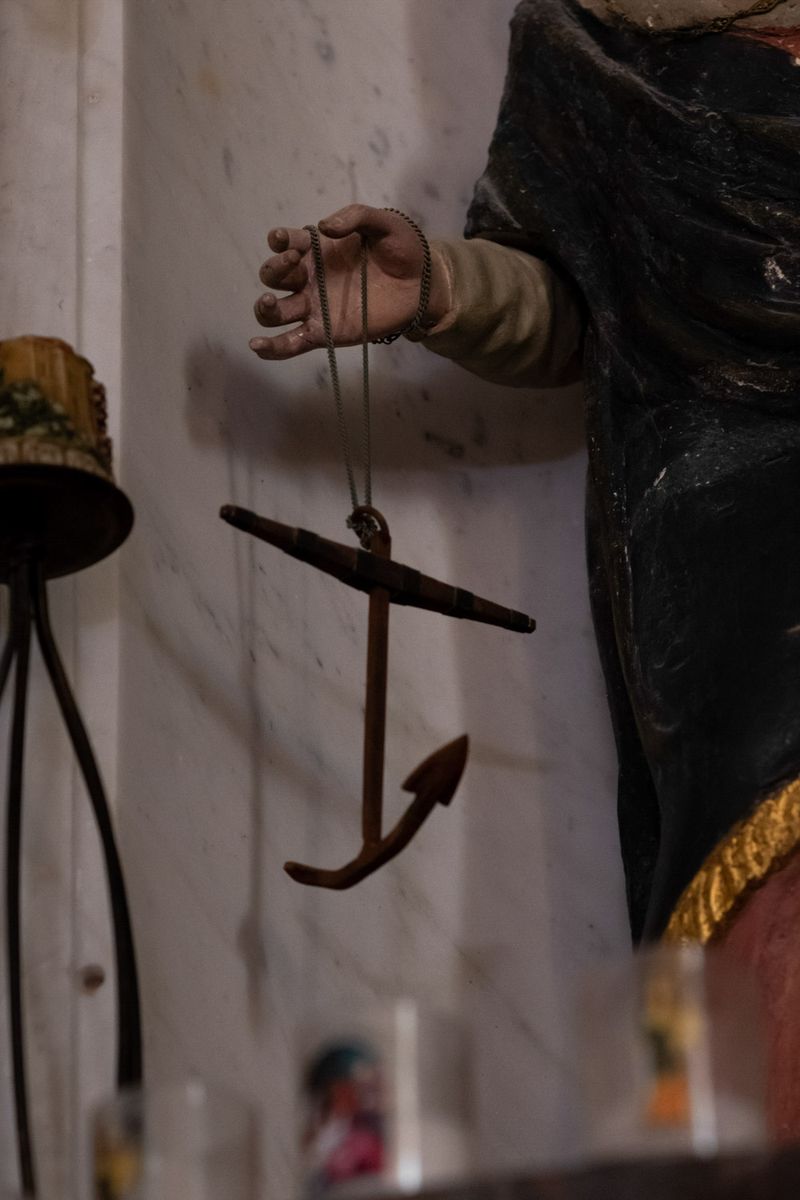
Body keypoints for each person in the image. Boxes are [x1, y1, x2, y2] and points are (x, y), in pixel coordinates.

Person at [251, 0, 800, 1134]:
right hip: (725, 504)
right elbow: (579, 292)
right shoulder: (587, 31)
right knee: (759, 879)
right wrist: (439, 289)